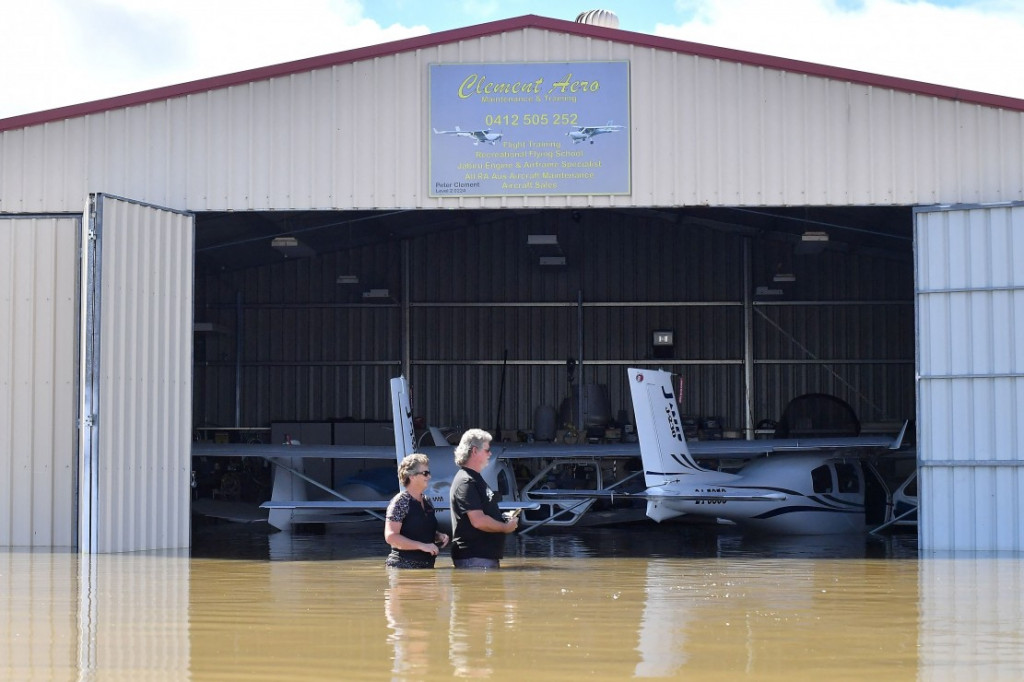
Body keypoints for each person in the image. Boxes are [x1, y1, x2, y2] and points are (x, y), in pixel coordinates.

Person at [449, 429, 518, 569]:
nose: (490, 454)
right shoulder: (466, 481)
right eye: (487, 450)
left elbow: (484, 513)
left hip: (481, 559)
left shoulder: (475, 478)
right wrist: (505, 527)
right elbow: (478, 521)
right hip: (475, 560)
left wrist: (502, 517)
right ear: (474, 451)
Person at [384, 453, 449, 569]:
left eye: (429, 473)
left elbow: (418, 531)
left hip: (426, 568)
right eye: (425, 473)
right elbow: (391, 537)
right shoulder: (400, 502)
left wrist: (438, 536)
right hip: (403, 567)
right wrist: (422, 546)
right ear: (412, 476)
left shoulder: (427, 501)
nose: (429, 477)